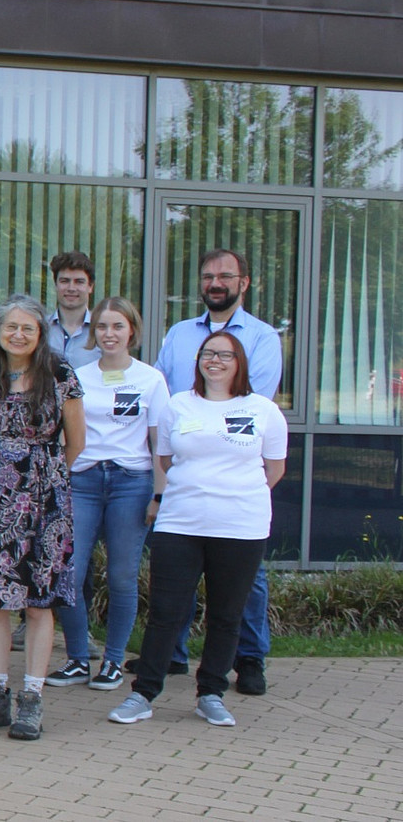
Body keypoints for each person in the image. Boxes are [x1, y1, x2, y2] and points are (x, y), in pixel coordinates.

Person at [109, 330, 286, 729]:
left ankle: (211, 694)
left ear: (240, 363)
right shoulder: (178, 405)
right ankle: (143, 694)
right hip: (180, 524)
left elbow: (274, 469)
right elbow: (166, 460)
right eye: (208, 353)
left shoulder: (263, 410)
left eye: (225, 355)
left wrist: (232, 494)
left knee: (226, 615)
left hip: (241, 528)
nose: (215, 361)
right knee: (165, 613)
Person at [0, 295, 85, 741]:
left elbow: (76, 441)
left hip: (44, 502)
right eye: (11, 327)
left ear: (40, 332)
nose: (19, 335)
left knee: (37, 600)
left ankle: (31, 698)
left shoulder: (60, 373)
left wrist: (40, 478)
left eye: (28, 327)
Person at [153, 248, 281, 695]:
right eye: (208, 276)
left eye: (225, 276)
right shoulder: (179, 334)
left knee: (247, 583)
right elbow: (163, 395)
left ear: (244, 283)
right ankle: (172, 655)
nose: (216, 283)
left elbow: (254, 403)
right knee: (180, 577)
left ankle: (249, 660)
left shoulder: (263, 337)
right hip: (187, 476)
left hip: (236, 484)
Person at [50, 296, 170, 692]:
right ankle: (77, 659)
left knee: (121, 576)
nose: (109, 333)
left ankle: (114, 661)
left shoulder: (151, 379)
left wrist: (158, 495)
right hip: (83, 480)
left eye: (118, 326)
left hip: (130, 482)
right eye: (102, 326)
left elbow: (160, 443)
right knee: (70, 573)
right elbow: (64, 433)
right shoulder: (77, 375)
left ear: (132, 330)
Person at [47, 251, 102, 369]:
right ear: (56, 285)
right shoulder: (40, 328)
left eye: (79, 282)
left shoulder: (102, 330)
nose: (71, 288)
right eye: (64, 281)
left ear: (90, 287)